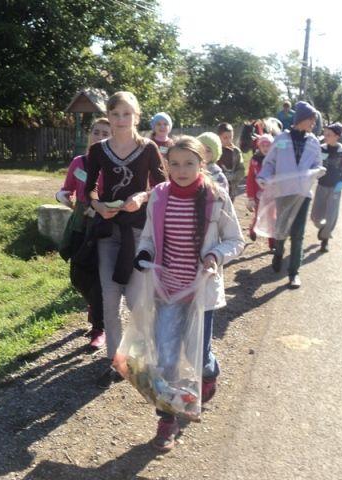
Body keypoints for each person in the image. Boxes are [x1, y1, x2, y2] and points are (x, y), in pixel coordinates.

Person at [133, 136, 244, 452]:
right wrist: (144, 254)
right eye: (175, 164)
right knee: (166, 358)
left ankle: (210, 373)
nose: (181, 170)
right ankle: (167, 420)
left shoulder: (217, 197)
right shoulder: (159, 195)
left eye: (189, 164)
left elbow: (235, 240)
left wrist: (215, 255)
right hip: (166, 290)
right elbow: (148, 238)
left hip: (200, 292)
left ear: (201, 164)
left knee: (199, 357)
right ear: (167, 165)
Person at [84, 91, 167, 389]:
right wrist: (97, 205)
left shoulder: (148, 148)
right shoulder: (98, 150)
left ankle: (147, 352)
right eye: (116, 114)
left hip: (138, 233)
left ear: (137, 116)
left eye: (127, 114)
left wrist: (142, 196)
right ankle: (115, 362)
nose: (121, 120)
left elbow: (162, 187)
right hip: (108, 231)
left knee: (136, 300)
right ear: (108, 116)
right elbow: (89, 189)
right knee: (109, 298)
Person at [56, 117, 111, 349]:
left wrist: (98, 208)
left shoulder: (113, 165)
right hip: (79, 224)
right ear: (89, 134)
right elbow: (66, 189)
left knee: (98, 276)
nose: (99, 137)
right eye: (96, 132)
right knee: (77, 276)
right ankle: (94, 306)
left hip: (102, 225)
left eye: (105, 134)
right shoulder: (78, 162)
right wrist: (63, 197)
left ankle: (99, 328)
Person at [257, 101, 324, 289]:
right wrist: (263, 176)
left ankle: (294, 273)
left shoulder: (313, 142)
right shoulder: (281, 139)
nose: (313, 123)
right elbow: (270, 163)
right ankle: (278, 252)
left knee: (298, 233)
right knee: (281, 228)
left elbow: (317, 164)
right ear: (301, 119)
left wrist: (318, 171)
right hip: (284, 191)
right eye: (311, 119)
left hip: (303, 193)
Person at [310, 122, 342, 252]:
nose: (326, 136)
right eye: (325, 134)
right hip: (321, 186)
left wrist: (341, 183)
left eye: (329, 134)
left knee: (331, 215)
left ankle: (325, 240)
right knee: (315, 216)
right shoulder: (320, 149)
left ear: (337, 136)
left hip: (335, 189)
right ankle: (323, 229)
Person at [245, 133, 275, 250]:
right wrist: (251, 197)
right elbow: (250, 179)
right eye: (263, 146)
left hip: (272, 194)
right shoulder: (255, 160)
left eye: (268, 145)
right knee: (259, 215)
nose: (265, 148)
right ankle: (253, 229)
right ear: (259, 147)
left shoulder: (275, 159)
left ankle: (272, 244)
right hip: (259, 195)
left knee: (271, 218)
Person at [216, 122, 245, 200]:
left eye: (231, 137)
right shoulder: (214, 151)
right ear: (218, 137)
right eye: (225, 138)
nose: (228, 140)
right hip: (216, 188)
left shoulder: (236, 151)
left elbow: (241, 170)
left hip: (231, 189)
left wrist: (233, 176)